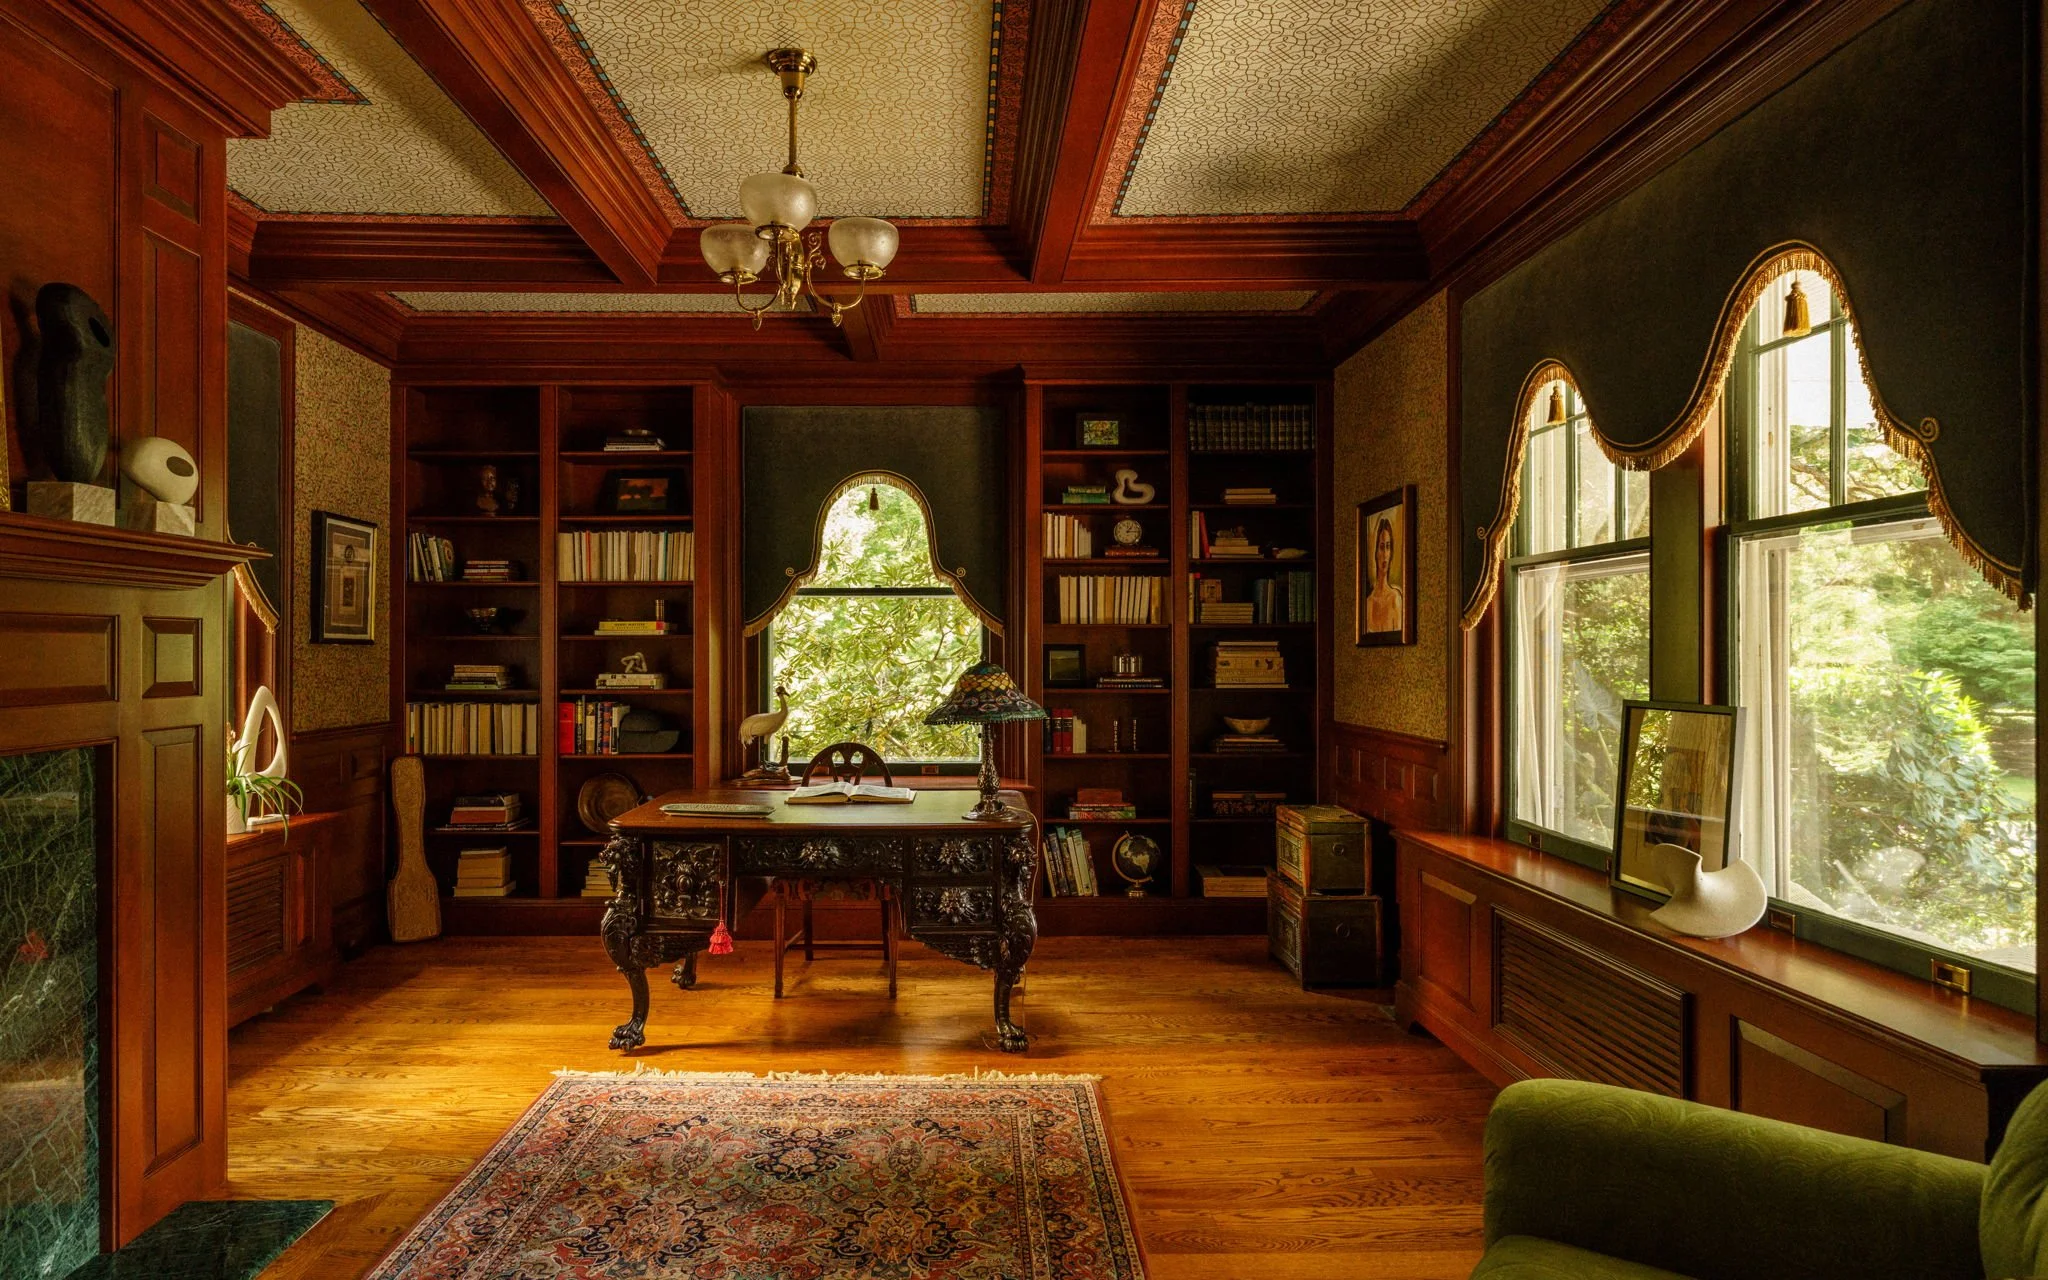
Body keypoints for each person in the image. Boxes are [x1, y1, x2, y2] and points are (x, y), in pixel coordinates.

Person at [1364, 515, 1404, 633]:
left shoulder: (1395, 599)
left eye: (1388, 546)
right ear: (1375, 552)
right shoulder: (1368, 603)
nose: (1385, 554)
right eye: (1381, 547)